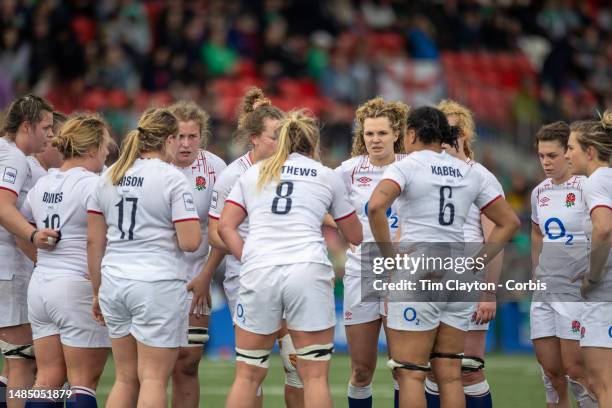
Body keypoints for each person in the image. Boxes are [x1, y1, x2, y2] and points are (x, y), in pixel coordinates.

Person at [368, 106, 520, 408]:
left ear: (411, 134)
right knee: (450, 373)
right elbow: (510, 223)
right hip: (459, 274)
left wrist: (390, 255)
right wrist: (477, 261)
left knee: (411, 373)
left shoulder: (407, 166)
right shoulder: (471, 171)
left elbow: (375, 207)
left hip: (419, 272)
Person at [219, 110, 363, 408]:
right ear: (314, 144)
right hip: (307, 270)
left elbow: (225, 226)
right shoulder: (325, 175)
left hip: (260, 269)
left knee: (247, 374)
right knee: (313, 375)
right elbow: (355, 234)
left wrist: (249, 259)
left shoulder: (253, 172)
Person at [87, 108, 201, 408]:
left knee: (125, 379)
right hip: (156, 283)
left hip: (113, 281)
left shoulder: (110, 174)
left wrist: (97, 291)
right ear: (168, 139)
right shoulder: (172, 178)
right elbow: (190, 242)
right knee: (152, 378)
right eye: (178, 138)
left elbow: (94, 241)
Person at [201, 88, 307, 406]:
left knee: (297, 365)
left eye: (285, 134)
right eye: (276, 135)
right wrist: (249, 252)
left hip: (289, 275)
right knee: (253, 369)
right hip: (247, 278)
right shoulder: (234, 175)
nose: (282, 142)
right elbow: (215, 232)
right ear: (254, 138)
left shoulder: (295, 168)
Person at [22, 114, 112, 407]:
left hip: (41, 285)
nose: (108, 152)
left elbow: (20, 230)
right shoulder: (93, 185)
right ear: (90, 149)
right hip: (76, 286)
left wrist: (40, 260)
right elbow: (95, 240)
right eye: (104, 146)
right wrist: (99, 288)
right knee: (83, 382)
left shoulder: (43, 183)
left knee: (47, 378)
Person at [424, 100, 505, 408]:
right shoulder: (424, 173)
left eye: (454, 129)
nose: (447, 135)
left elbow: (495, 236)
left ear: (467, 134)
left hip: (467, 281)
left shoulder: (480, 176)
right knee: (433, 370)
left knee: (468, 370)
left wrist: (488, 292)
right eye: (442, 128)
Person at [335, 97, 408, 408]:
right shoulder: (349, 170)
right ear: (361, 136)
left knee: (403, 368)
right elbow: (321, 205)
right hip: (361, 272)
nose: (375, 140)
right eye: (369, 134)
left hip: (403, 273)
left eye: (382, 133)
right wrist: (348, 226)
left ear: (396, 134)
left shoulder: (411, 166)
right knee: (361, 370)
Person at [529, 121, 595, 408]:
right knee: (550, 373)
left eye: (552, 155)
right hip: (545, 291)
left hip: (576, 292)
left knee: (576, 371)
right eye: (541, 155)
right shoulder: (539, 192)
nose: (546, 162)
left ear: (567, 153)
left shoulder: (587, 187)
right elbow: (536, 231)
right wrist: (536, 271)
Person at [0, 95, 59, 408]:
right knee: (22, 359)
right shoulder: (13, 158)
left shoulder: (11, 154)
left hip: (10, 267)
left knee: (15, 360)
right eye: (46, 128)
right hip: (7, 267)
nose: (51, 136)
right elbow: (2, 206)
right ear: (26, 126)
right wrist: (34, 235)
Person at [168, 100, 226, 408]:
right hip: (154, 276)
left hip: (196, 278)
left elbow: (224, 229)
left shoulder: (216, 168)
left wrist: (206, 275)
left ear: (201, 136)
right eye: (179, 136)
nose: (185, 143)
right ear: (167, 136)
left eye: (192, 136)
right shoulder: (151, 165)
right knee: (148, 367)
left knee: (188, 362)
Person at [565, 109, 612, 406]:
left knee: (601, 383)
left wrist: (592, 276)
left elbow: (604, 228)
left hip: (605, 293)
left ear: (590, 151)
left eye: (571, 147)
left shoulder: (596, 181)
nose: (566, 154)